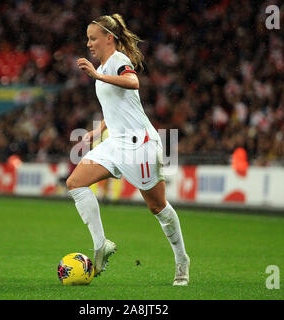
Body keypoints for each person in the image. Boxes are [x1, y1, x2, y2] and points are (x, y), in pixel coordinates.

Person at [67, 14, 189, 286]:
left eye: (93, 38)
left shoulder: (119, 61)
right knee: (75, 183)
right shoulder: (105, 66)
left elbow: (133, 83)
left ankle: (182, 259)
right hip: (115, 143)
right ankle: (102, 245)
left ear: (109, 38)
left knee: (157, 207)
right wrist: (99, 130)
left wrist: (98, 75)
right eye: (87, 38)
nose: (89, 43)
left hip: (140, 146)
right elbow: (119, 107)